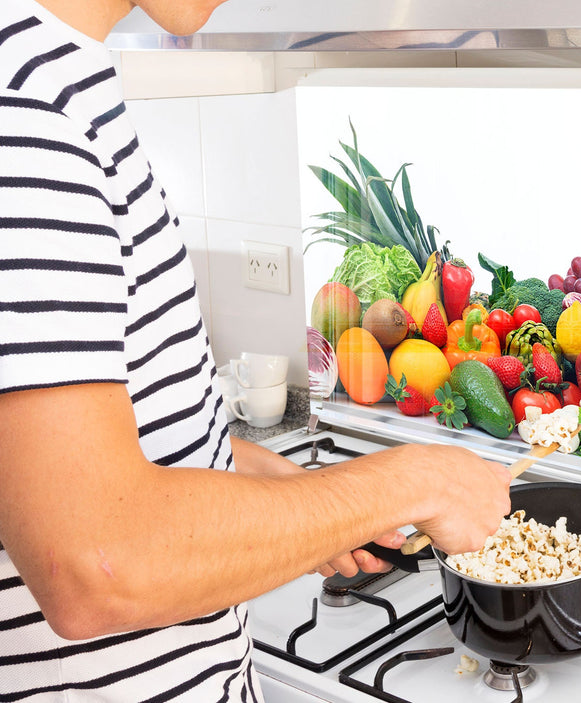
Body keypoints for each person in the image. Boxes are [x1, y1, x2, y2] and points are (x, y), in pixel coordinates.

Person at [0, 0, 512, 699]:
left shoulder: (57, 81)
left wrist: (300, 500)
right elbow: (94, 561)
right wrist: (415, 480)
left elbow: (98, 449)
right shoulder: (25, 115)